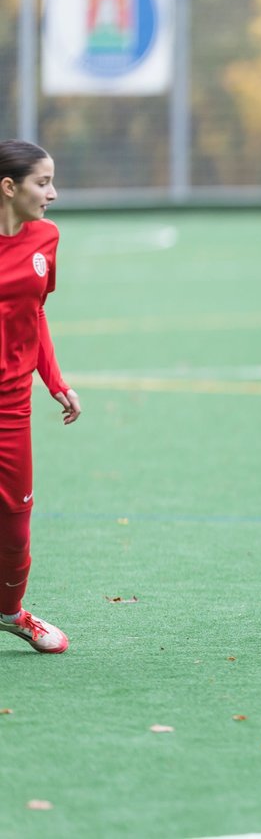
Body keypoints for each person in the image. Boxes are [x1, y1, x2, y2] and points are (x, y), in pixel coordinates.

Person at [0, 140, 80, 654]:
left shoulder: (46, 239)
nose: (52, 193)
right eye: (42, 182)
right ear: (9, 187)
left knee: (16, 530)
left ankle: (10, 614)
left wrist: (56, 381)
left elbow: (35, 314)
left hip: (12, 407)